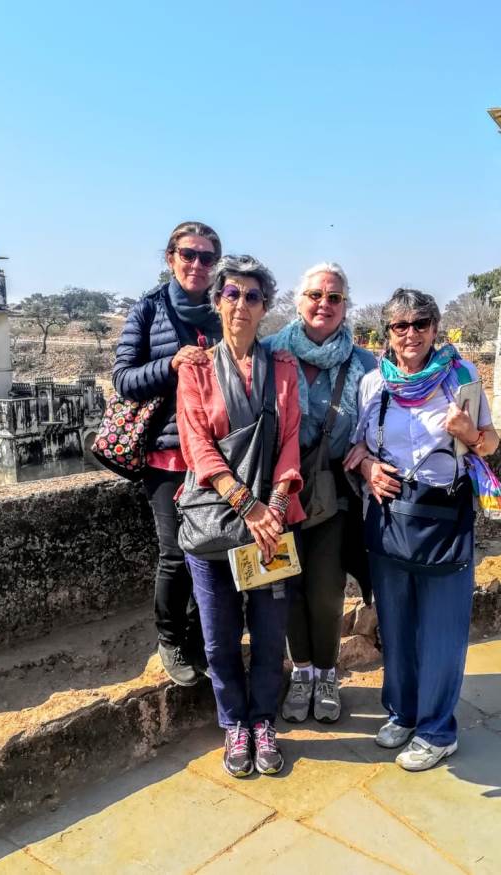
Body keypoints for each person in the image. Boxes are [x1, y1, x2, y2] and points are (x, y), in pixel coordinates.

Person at [345, 288, 500, 771]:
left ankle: (437, 730)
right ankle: (403, 713)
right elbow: (358, 449)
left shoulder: (461, 380)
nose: (410, 334)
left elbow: (490, 443)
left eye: (420, 324)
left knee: (441, 630)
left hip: (444, 517)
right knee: (395, 622)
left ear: (435, 329)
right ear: (387, 333)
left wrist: (466, 433)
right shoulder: (375, 385)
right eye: (400, 326)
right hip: (391, 517)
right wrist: (369, 467)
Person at [176, 255, 304, 778]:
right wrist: (247, 505)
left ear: (266, 307)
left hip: (270, 527)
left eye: (252, 296)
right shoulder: (197, 370)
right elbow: (197, 446)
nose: (241, 305)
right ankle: (234, 724)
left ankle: (263, 721)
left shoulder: (283, 370)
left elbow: (291, 441)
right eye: (231, 294)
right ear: (217, 303)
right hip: (215, 525)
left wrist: (273, 508)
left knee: (271, 635)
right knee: (218, 637)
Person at [264, 263, 377, 724]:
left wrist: (367, 445)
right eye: (315, 295)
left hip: (334, 492)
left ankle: (327, 674)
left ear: (345, 305)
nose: (323, 305)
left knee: (326, 588)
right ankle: (303, 673)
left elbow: (382, 418)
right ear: (298, 300)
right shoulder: (270, 354)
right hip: (277, 490)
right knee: (285, 587)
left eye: (334, 298)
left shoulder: (364, 364)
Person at [112, 221, 223, 687]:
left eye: (206, 257)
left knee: (215, 551)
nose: (197, 264)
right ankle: (171, 639)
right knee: (176, 554)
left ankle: (203, 637)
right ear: (170, 257)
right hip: (167, 454)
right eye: (188, 254)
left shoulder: (224, 310)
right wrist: (171, 363)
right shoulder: (149, 310)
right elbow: (122, 378)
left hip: (217, 455)